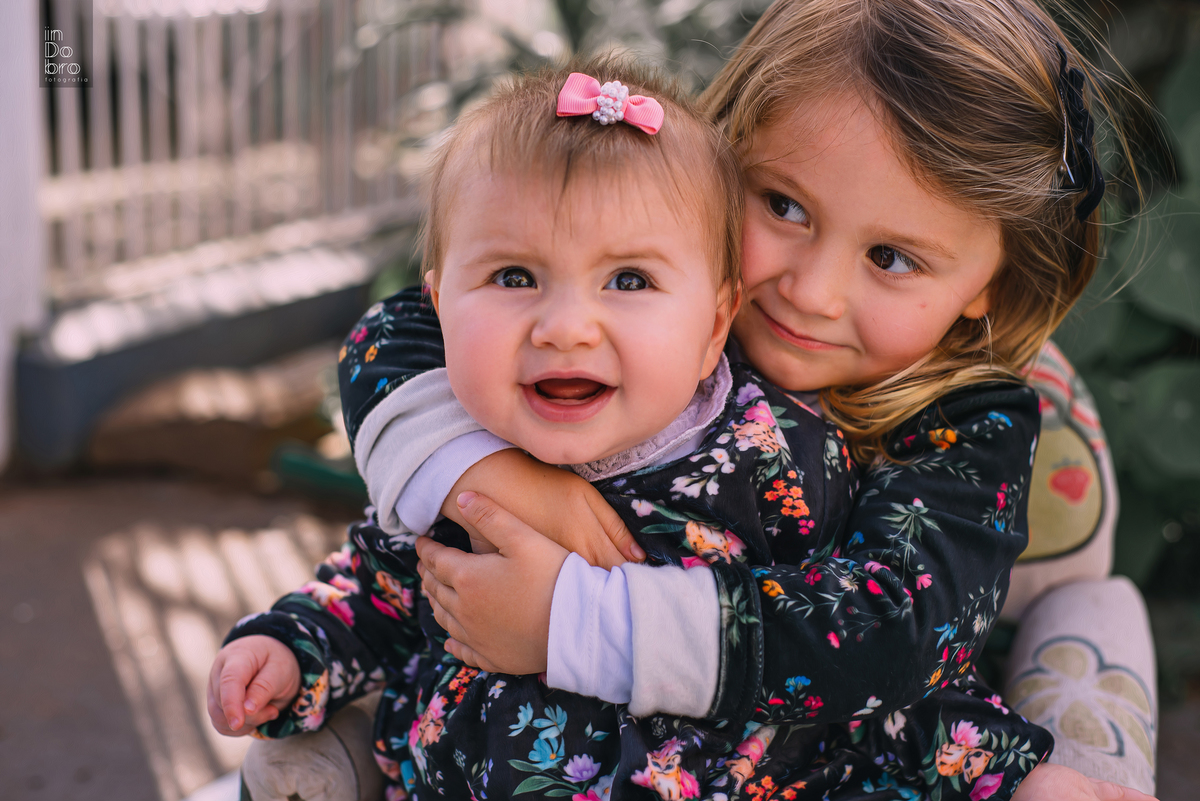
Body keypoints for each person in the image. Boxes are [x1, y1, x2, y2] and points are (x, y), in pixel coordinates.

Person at [310, 3, 1163, 800]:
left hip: (836, 745)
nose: (812, 291)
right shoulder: (647, 294)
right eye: (783, 205)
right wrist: (485, 474)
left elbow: (890, 634)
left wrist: (575, 619)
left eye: (893, 257)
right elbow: (401, 334)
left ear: (992, 282)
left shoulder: (971, 423)